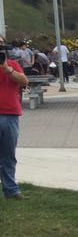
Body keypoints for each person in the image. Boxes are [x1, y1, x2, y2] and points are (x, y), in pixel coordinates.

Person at [1, 36, 31, 200]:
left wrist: (7, 69)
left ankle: (11, 190)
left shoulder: (12, 64)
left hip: (10, 114)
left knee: (8, 156)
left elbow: (24, 81)